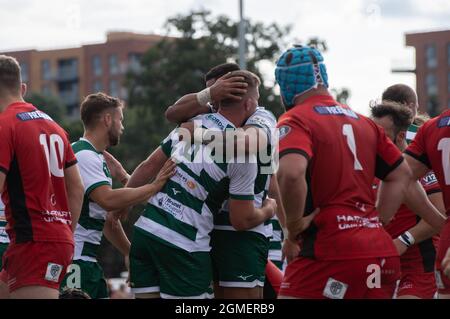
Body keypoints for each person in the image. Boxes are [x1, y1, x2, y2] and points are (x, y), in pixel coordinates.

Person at [274, 45, 446, 299]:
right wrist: (379, 221)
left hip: (329, 251)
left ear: (285, 86)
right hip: (378, 253)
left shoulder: (296, 119)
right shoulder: (363, 122)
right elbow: (402, 175)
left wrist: (292, 226)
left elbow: (290, 173)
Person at [125, 70, 276, 299]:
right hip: (185, 242)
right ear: (249, 105)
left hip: (146, 230)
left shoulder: (193, 122)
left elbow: (148, 165)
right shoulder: (242, 155)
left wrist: (123, 203)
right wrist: (270, 209)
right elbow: (242, 219)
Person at [165, 65, 284, 298]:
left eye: (221, 92)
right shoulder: (210, 112)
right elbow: (171, 113)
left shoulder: (260, 115)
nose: (215, 103)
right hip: (207, 229)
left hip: (245, 230)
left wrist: (194, 133)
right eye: (213, 93)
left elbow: (253, 153)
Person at [60, 93, 175, 298]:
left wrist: (129, 251)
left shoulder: (92, 155)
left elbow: (105, 217)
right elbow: (108, 199)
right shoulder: (85, 155)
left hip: (84, 260)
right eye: (120, 119)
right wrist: (154, 186)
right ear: (107, 120)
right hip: (75, 260)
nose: (122, 127)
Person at [0, 55, 84, 299]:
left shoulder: (5, 125)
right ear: (22, 88)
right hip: (50, 238)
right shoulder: (53, 124)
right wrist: (66, 232)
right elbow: (77, 188)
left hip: (34, 242)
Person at [371, 101, 444, 299]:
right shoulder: (370, 166)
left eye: (383, 137)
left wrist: (404, 240)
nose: (376, 143)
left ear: (401, 135)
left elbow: (440, 218)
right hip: (379, 264)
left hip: (417, 264)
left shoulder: (419, 168)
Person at [404, 107, 450, 299]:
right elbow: (402, 178)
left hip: (428, 254)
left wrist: (404, 239)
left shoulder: (432, 127)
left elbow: (401, 178)